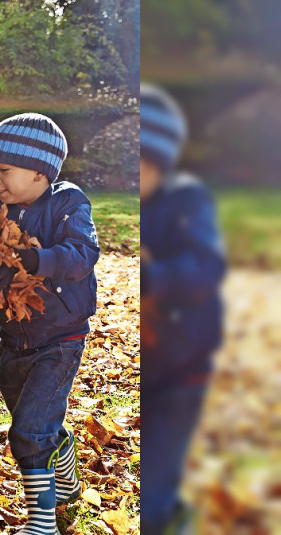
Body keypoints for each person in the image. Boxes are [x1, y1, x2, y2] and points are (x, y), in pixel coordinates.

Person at [0, 113, 99, 534]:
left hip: (61, 336)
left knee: (28, 429)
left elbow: (83, 254)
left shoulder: (68, 203)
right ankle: (63, 462)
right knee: (31, 420)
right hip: (14, 336)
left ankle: (41, 523)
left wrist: (39, 260)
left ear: (39, 171)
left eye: (4, 171)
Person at [139, 84, 224, 535]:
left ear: (159, 163)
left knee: (153, 484)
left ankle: (164, 514)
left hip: (181, 369)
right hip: (145, 364)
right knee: (146, 475)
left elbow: (207, 266)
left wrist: (157, 277)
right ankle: (163, 508)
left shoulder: (186, 200)